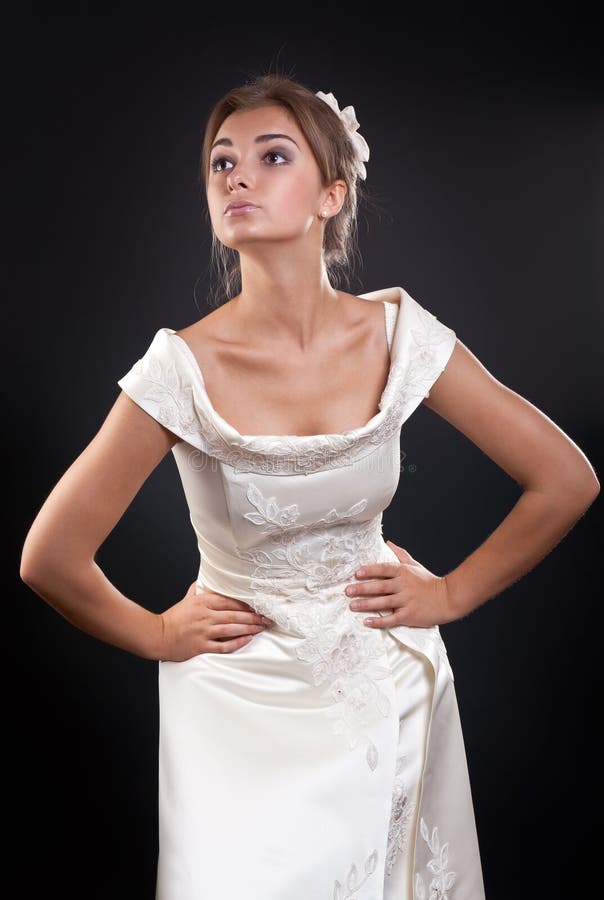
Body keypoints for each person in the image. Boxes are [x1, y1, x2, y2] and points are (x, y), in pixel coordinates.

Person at [20, 73, 599, 900]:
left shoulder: (399, 336)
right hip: (236, 698)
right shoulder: (179, 368)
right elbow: (51, 556)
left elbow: (564, 478)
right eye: (221, 163)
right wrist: (156, 633)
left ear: (332, 194)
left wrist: (455, 593)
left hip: (383, 683)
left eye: (270, 155)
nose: (236, 177)